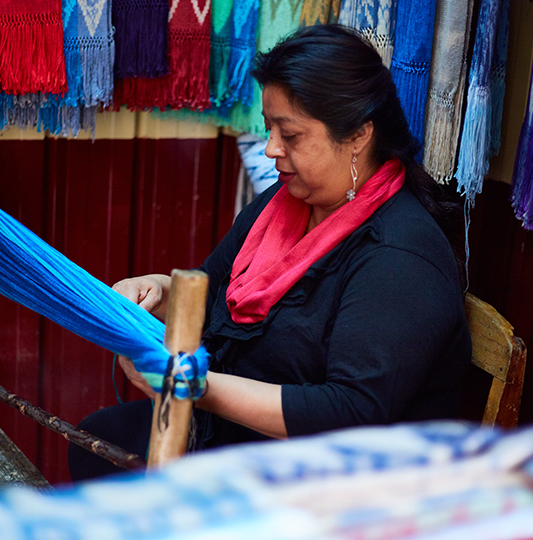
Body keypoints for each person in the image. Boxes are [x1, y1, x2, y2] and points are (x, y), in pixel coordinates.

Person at [68, 24, 471, 480]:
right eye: (269, 128)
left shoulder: (399, 256)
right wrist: (159, 291)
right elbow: (213, 285)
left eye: (291, 135)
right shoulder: (285, 205)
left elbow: (351, 411)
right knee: (98, 441)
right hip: (239, 441)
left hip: (337, 485)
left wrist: (191, 386)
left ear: (359, 135)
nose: (270, 148)